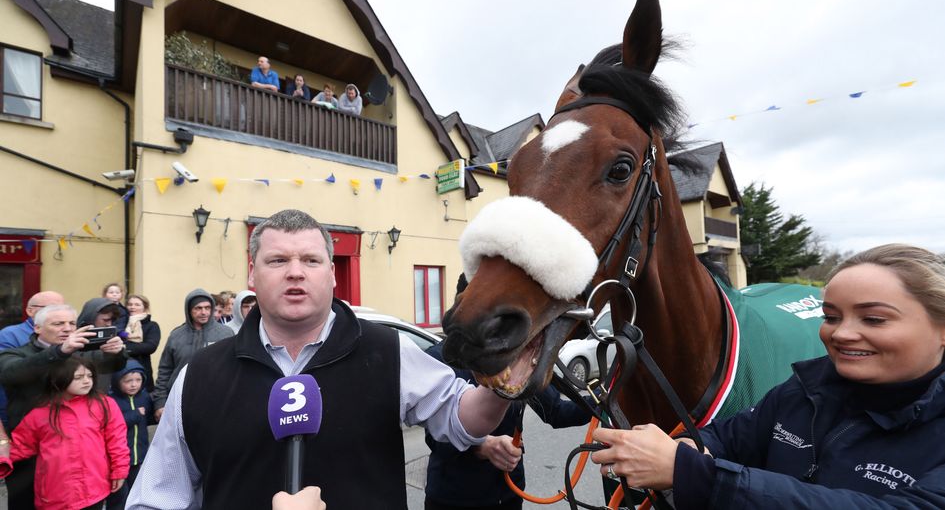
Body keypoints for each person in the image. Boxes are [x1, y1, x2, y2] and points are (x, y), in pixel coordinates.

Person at [127, 209, 512, 509]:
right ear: (252, 275)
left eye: (311, 261)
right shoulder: (198, 376)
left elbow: (464, 418)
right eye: (278, 261)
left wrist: (506, 373)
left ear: (332, 274)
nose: (295, 272)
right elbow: (156, 500)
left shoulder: (388, 350)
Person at [590, 243, 945, 509]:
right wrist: (680, 450)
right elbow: (729, 437)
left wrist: (691, 472)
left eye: (874, 319)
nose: (841, 333)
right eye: (832, 317)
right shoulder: (806, 387)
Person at [424, 340, 591, 510]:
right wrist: (481, 446)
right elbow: (433, 437)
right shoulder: (440, 357)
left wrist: (601, 398)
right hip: (453, 498)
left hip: (507, 496)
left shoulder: (516, 356)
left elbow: (557, 411)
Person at [0, 304, 126, 509]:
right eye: (58, 324)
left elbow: (111, 365)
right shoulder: (16, 353)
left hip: (80, 457)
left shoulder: (80, 352)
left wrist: (116, 353)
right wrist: (60, 351)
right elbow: (12, 372)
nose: (67, 328)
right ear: (37, 328)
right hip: (29, 456)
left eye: (71, 323)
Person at [10, 356, 129, 509]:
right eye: (78, 377)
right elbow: (19, 446)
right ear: (59, 378)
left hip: (93, 489)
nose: (86, 381)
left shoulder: (104, 404)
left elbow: (117, 440)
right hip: (56, 493)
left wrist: (120, 471)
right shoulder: (40, 413)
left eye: (90, 376)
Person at [151, 289, 234, 421]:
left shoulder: (225, 334)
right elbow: (165, 370)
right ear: (189, 310)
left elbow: (233, 369)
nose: (204, 312)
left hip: (216, 402)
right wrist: (160, 403)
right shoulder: (176, 336)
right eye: (198, 308)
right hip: (180, 401)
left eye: (207, 307)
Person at [0, 291, 64, 429]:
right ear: (30, 311)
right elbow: (9, 371)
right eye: (51, 308)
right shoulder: (10, 334)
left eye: (61, 308)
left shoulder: (66, 333)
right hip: (22, 409)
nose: (58, 313)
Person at [106, 360, 154, 510]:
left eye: (138, 380)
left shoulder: (144, 397)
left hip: (139, 456)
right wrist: (135, 414)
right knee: (119, 496)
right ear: (117, 381)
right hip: (119, 460)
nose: (134, 384)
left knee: (136, 493)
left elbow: (149, 418)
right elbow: (113, 424)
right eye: (128, 381)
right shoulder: (111, 401)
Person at [125, 294, 161, 391]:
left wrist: (124, 348)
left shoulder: (152, 325)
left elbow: (150, 347)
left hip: (142, 369)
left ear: (145, 308)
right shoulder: (121, 324)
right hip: (120, 370)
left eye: (137, 305)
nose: (132, 307)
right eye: (130, 304)